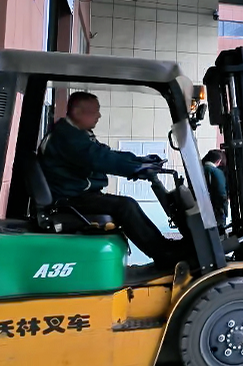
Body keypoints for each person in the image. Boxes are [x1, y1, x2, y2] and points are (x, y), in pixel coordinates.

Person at [38, 91, 186, 268]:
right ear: (77, 112)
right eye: (94, 111)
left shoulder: (75, 133)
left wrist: (139, 161)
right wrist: (135, 168)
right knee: (125, 206)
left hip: (74, 193)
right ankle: (163, 253)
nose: (99, 115)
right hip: (70, 198)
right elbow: (100, 159)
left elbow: (106, 153)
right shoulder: (68, 137)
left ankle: (163, 248)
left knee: (125, 204)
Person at [202, 149, 228, 233]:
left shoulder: (200, 170)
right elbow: (221, 193)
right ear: (218, 161)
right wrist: (225, 209)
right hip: (216, 209)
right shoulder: (217, 172)